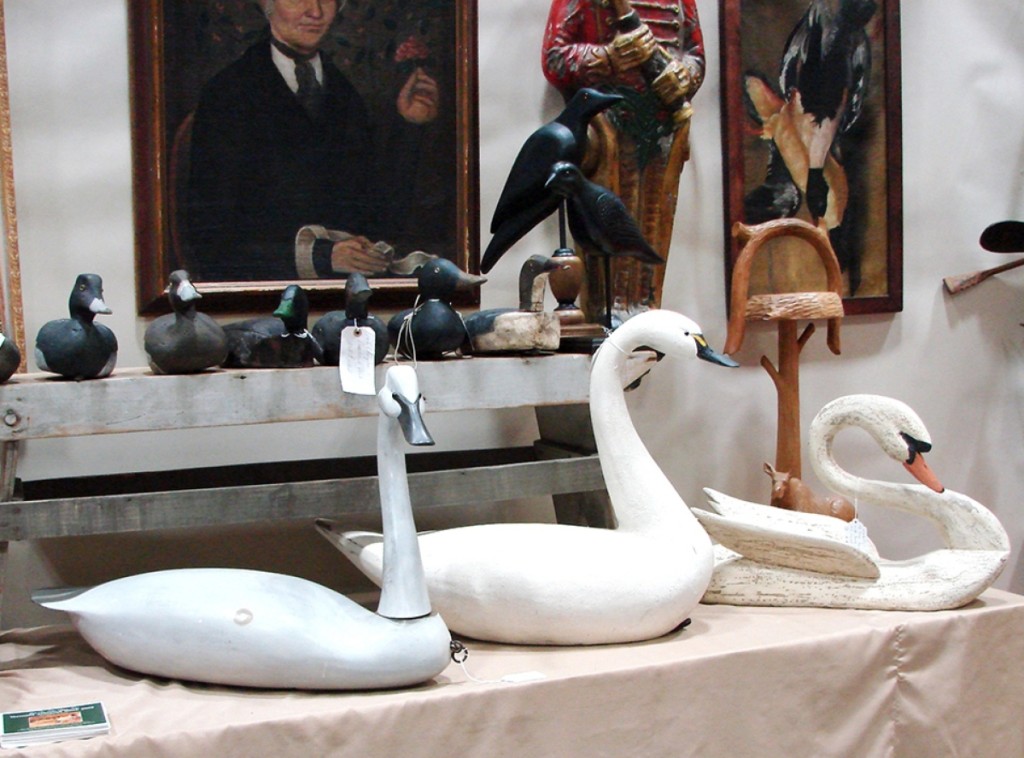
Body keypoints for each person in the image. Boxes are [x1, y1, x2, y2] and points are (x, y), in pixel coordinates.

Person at [186, 0, 440, 282]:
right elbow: (212, 241)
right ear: (267, 5)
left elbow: (378, 218)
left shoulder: (347, 96)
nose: (316, 12)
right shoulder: (228, 94)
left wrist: (410, 127)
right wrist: (322, 257)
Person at [542, 0, 705, 321]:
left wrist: (685, 73)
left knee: (651, 234)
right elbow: (555, 59)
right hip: (607, 129)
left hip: (663, 131)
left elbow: (695, 54)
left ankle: (644, 314)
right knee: (607, 232)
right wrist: (607, 57)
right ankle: (608, 317)